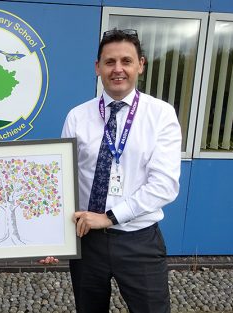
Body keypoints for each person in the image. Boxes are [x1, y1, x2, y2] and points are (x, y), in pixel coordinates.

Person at [61, 29, 181, 313]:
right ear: (97, 67)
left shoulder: (161, 115)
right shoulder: (77, 116)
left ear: (141, 64)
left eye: (126, 61)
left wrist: (109, 217)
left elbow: (164, 185)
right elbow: (62, 180)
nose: (118, 69)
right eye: (109, 62)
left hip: (139, 240)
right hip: (86, 241)